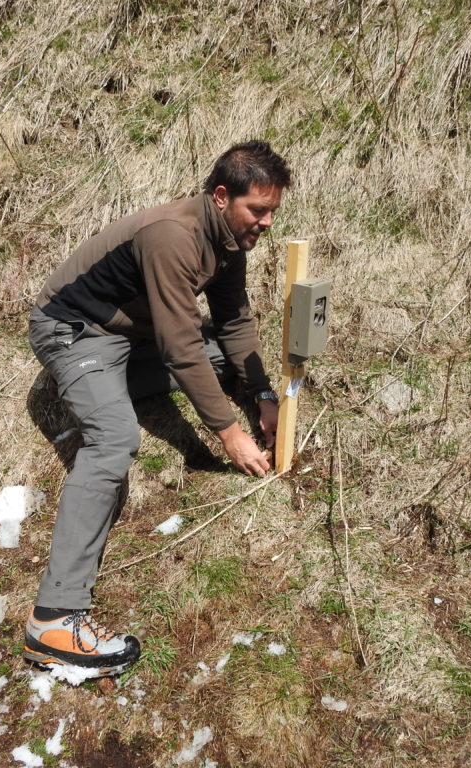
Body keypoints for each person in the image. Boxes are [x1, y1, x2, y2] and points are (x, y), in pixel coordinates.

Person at [24, 140, 292, 675]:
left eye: (272, 213)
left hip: (133, 337)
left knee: (221, 350)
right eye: (256, 210)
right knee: (115, 440)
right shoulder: (174, 236)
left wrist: (262, 395)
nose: (265, 223)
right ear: (222, 196)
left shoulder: (230, 242)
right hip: (74, 333)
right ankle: (53, 620)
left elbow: (235, 322)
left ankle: (110, 387)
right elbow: (179, 347)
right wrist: (228, 432)